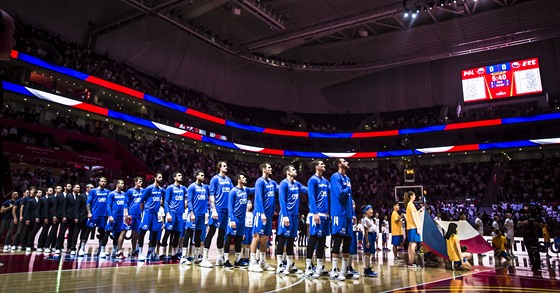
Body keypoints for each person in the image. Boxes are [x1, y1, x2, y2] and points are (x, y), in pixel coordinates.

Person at [276, 164, 308, 275]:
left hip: (295, 215)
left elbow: (307, 190)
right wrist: (284, 215)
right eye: (293, 169)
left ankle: (289, 265)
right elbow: (282, 201)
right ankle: (279, 265)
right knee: (282, 239)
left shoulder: (297, 184)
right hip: (286, 214)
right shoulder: (283, 184)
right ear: (288, 172)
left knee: (290, 240)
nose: (296, 171)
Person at [330, 158, 358, 280]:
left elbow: (349, 199)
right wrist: (348, 188)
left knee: (347, 241)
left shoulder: (347, 179)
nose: (347, 162)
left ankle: (344, 270)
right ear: (339, 164)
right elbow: (340, 194)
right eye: (344, 161)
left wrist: (353, 214)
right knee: (338, 240)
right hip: (338, 213)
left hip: (347, 214)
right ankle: (334, 270)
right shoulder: (335, 177)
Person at [202, 161, 233, 268]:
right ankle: (204, 258)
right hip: (217, 210)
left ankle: (220, 258)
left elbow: (233, 192)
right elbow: (211, 195)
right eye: (224, 166)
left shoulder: (228, 180)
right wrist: (213, 209)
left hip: (226, 210)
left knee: (222, 234)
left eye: (226, 166)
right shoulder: (215, 179)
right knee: (211, 232)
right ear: (219, 167)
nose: (226, 167)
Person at [248, 162, 278, 272]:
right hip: (260, 214)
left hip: (270, 214)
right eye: (269, 167)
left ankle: (262, 262)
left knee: (265, 238)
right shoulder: (259, 181)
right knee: (257, 237)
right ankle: (252, 263)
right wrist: (261, 213)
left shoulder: (273, 183)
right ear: (264, 169)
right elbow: (258, 198)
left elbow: (280, 189)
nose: (271, 169)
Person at [305, 159, 330, 278]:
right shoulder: (312, 180)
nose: (324, 165)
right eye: (321, 164)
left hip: (325, 215)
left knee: (322, 241)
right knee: (313, 239)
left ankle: (320, 266)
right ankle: (308, 266)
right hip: (316, 214)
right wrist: (314, 213)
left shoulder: (326, 181)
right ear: (316, 167)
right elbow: (311, 197)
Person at [224, 172, 254, 269]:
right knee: (229, 238)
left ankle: (237, 260)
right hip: (234, 218)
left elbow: (255, 189)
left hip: (242, 219)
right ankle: (226, 260)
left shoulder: (245, 190)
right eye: (243, 177)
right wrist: (232, 220)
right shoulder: (233, 191)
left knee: (239, 239)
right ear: (239, 180)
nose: (245, 178)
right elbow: (230, 207)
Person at [181, 170, 209, 265]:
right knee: (188, 233)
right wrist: (192, 213)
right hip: (194, 214)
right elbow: (189, 200)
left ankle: (196, 257)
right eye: (201, 175)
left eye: (204, 175)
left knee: (198, 235)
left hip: (202, 214)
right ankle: (183, 257)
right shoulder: (192, 186)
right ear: (196, 176)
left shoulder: (205, 187)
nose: (203, 176)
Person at [139, 173, 165, 261]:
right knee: (143, 232)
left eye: (161, 177)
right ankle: (140, 252)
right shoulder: (149, 188)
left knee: (154, 233)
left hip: (155, 213)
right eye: (159, 177)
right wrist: (142, 213)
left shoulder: (161, 190)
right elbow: (141, 201)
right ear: (155, 178)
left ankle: (152, 252)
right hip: (147, 212)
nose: (161, 179)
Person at [163, 172, 187, 260]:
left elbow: (189, 196)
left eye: (181, 175)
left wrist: (186, 201)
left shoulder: (184, 188)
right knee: (167, 233)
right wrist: (167, 213)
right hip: (172, 213)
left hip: (180, 214)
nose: (181, 177)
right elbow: (166, 201)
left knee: (177, 234)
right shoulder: (170, 188)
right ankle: (162, 253)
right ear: (174, 178)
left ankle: (174, 254)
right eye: (179, 175)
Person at [85, 178, 110, 257]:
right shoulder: (93, 191)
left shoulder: (108, 192)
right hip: (94, 214)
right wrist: (89, 212)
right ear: (99, 182)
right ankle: (81, 248)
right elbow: (88, 202)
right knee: (88, 230)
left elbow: (109, 204)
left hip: (103, 215)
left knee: (102, 232)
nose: (103, 182)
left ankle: (101, 249)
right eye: (101, 181)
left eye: (104, 181)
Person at [123, 178, 143, 258]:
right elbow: (126, 203)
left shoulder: (143, 191)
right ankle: (118, 250)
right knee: (123, 232)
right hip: (130, 214)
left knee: (136, 233)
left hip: (138, 215)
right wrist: (126, 214)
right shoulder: (130, 191)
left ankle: (134, 250)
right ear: (135, 182)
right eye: (139, 181)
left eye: (141, 181)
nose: (140, 183)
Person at [106, 180, 126, 258]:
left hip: (121, 217)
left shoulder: (124, 194)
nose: (122, 185)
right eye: (121, 183)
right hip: (113, 216)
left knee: (117, 234)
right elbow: (108, 205)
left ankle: (115, 250)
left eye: (123, 183)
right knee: (107, 232)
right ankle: (102, 250)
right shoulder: (111, 194)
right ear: (117, 184)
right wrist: (110, 216)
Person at [404, 191, 424, 269]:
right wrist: (418, 227)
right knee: (413, 244)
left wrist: (420, 211)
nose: (415, 196)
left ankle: (410, 261)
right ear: (412, 196)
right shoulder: (411, 205)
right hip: (413, 227)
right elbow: (413, 217)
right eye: (414, 195)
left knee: (411, 244)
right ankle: (411, 263)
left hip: (411, 227)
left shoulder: (410, 205)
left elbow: (416, 215)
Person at [361, 205, 379, 277]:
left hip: (372, 236)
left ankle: (368, 268)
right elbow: (366, 231)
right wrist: (367, 241)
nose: (372, 211)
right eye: (370, 209)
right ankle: (366, 269)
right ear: (366, 211)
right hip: (368, 236)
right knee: (367, 253)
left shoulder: (371, 219)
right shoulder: (365, 219)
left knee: (370, 253)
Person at [75, 184, 92, 256]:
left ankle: (81, 247)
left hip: (89, 218)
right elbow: (77, 207)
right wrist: (76, 217)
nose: (92, 189)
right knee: (76, 233)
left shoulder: (94, 196)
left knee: (85, 233)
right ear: (87, 188)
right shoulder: (81, 196)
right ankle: (72, 247)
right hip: (81, 217)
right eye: (91, 188)